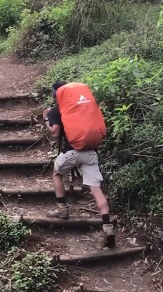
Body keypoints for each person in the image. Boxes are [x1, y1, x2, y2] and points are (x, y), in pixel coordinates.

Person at [42, 81, 115, 250]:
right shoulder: (84, 109)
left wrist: (46, 118)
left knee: (57, 173)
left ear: (56, 95)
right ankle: (107, 226)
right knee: (96, 187)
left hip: (71, 152)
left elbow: (55, 133)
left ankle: (62, 208)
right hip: (91, 153)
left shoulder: (57, 110)